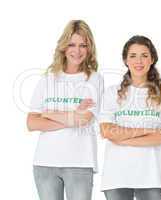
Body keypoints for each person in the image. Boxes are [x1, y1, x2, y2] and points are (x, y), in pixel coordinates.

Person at [27, 20, 103, 200]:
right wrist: (72, 117)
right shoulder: (48, 79)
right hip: (44, 163)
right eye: (72, 44)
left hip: (79, 163)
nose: (77, 51)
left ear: (89, 48)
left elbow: (84, 120)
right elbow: (31, 123)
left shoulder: (93, 79)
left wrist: (47, 114)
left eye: (83, 45)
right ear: (63, 46)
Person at [99, 35, 161, 200]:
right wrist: (147, 131)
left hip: (152, 177)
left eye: (144, 55)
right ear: (125, 60)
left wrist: (123, 138)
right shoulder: (111, 92)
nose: (139, 61)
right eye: (133, 56)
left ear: (152, 59)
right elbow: (107, 131)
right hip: (117, 177)